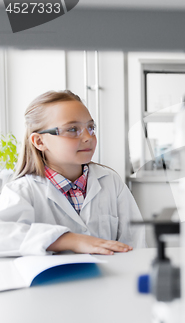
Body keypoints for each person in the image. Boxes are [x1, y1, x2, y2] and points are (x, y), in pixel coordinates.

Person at [0, 90, 146, 256]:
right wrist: (69, 240)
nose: (88, 137)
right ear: (40, 141)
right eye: (72, 129)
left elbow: (136, 240)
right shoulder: (22, 190)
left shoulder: (110, 180)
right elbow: (4, 235)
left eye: (91, 127)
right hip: (54, 282)